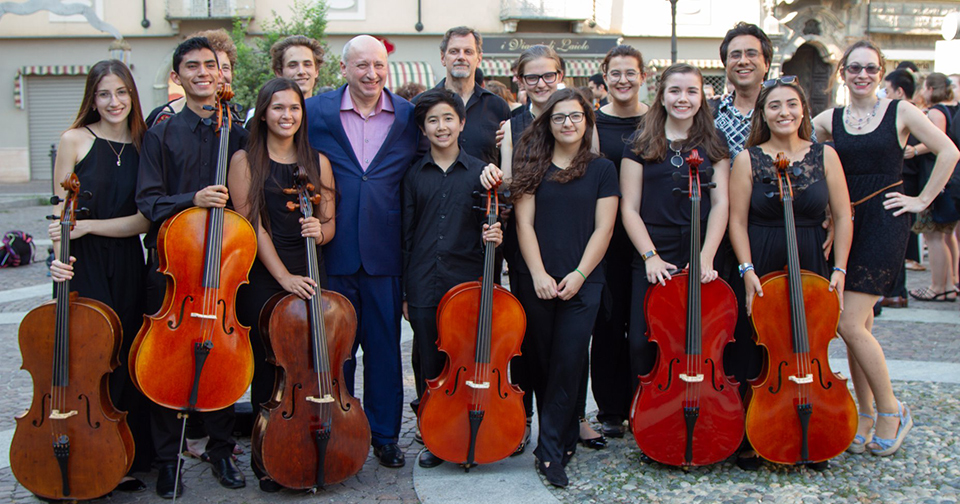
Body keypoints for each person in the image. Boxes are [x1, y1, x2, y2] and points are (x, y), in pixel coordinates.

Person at [812, 40, 960, 457]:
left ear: (881, 73)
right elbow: (809, 159)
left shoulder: (901, 111)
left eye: (871, 68)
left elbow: (948, 151)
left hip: (886, 222)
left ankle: (892, 411)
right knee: (861, 329)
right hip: (846, 224)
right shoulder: (829, 120)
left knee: (849, 323)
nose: (862, 74)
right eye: (854, 68)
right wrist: (824, 211)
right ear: (842, 73)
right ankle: (865, 413)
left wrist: (922, 200)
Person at [481, 88, 618, 488]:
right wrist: (538, 274)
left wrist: (578, 274)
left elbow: (604, 227)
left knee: (568, 361)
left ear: (586, 122)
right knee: (540, 362)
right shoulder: (532, 164)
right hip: (535, 278)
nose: (568, 124)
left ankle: (550, 451)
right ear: (548, 123)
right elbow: (523, 224)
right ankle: (559, 435)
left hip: (584, 280)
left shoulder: (601, 169)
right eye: (560, 117)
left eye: (576, 116)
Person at [136, 37, 250, 498]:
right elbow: (148, 200)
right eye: (192, 66)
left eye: (210, 65)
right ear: (178, 76)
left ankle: (221, 449)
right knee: (166, 360)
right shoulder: (162, 131)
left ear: (221, 74)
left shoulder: (238, 132)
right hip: (173, 273)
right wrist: (193, 199)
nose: (203, 72)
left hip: (223, 269)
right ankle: (168, 461)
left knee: (220, 355)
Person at [305, 34, 420, 468]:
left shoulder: (409, 115)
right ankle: (337, 429)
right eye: (361, 66)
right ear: (343, 68)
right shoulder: (316, 111)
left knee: (385, 349)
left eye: (378, 65)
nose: (371, 74)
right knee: (337, 350)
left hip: (386, 252)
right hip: (333, 250)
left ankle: (385, 435)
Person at [727, 76, 853, 468]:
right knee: (757, 344)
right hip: (761, 256)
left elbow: (844, 217)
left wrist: (841, 270)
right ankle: (753, 431)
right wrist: (746, 269)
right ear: (763, 114)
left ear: (803, 110)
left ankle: (812, 429)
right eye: (775, 106)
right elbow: (736, 220)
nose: (784, 112)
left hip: (812, 258)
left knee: (806, 343)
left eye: (792, 105)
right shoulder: (748, 158)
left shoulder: (824, 154)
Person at [47, 59, 152, 493]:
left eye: (122, 93)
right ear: (93, 98)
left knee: (127, 354)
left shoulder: (145, 143)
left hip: (127, 259)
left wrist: (88, 226)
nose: (114, 102)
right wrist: (59, 260)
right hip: (81, 262)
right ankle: (85, 445)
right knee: (88, 357)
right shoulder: (73, 140)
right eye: (105, 94)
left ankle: (124, 452)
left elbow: (144, 220)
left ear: (132, 95)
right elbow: (60, 214)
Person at [227, 78, 336, 491]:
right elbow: (252, 226)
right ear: (263, 113)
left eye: (293, 108)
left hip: (310, 269)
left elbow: (329, 224)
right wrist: (284, 278)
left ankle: (314, 446)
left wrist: (319, 230)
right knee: (271, 369)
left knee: (312, 363)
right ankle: (267, 459)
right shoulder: (245, 160)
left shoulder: (317, 160)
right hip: (267, 275)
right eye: (277, 108)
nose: (286, 115)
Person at [402, 88, 503, 468]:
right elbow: (407, 237)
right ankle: (434, 436)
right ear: (423, 129)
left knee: (468, 359)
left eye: (448, 119)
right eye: (432, 120)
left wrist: (495, 235)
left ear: (462, 123)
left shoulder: (482, 173)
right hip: (424, 281)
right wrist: (405, 294)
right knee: (430, 362)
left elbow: (492, 232)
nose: (441, 127)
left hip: (467, 283)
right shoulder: (414, 176)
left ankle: (472, 428)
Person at [620, 63, 730, 411]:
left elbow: (721, 203)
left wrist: (706, 255)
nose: (683, 98)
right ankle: (650, 409)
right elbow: (629, 208)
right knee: (643, 338)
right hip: (654, 247)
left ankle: (699, 405)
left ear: (702, 96)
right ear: (662, 97)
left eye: (691, 91)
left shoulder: (714, 142)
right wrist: (649, 256)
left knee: (698, 338)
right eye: (675, 91)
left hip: (700, 245)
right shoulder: (640, 142)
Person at [577, 44, 649, 442]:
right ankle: (610, 410)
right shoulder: (592, 123)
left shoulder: (656, 120)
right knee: (605, 325)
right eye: (615, 73)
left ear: (643, 77)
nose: (623, 80)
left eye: (630, 73)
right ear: (604, 76)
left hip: (645, 238)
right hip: (602, 237)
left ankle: (645, 401)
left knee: (643, 327)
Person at [497, 44, 565, 452]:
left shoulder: (574, 116)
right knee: (527, 337)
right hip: (525, 239)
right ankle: (521, 419)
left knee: (570, 339)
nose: (541, 84)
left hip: (569, 237)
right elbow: (506, 183)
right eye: (532, 77)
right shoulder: (512, 124)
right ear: (520, 81)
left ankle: (571, 417)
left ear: (560, 77)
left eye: (549, 76)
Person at [413, 27, 511, 167]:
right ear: (443, 57)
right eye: (454, 51)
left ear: (479, 59)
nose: (461, 57)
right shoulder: (419, 105)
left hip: (483, 188)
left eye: (468, 52)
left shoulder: (497, 107)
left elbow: (505, 161)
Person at [908, 72, 960, 302]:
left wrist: (914, 150)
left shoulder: (938, 111)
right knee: (947, 236)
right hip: (950, 181)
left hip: (937, 179)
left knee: (934, 236)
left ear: (930, 88)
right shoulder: (954, 107)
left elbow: (937, 142)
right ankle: (950, 282)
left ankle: (939, 286)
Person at [880, 70, 923, 310]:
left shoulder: (906, 111)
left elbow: (949, 147)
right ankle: (895, 293)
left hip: (904, 182)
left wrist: (922, 199)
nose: (884, 94)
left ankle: (896, 293)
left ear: (899, 91)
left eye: (887, 90)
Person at [146, 29, 239, 127]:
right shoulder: (162, 118)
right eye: (212, 66)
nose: (207, 74)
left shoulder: (232, 117)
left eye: (225, 68)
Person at [243, 35, 326, 126]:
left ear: (316, 71)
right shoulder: (262, 121)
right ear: (279, 72)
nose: (301, 71)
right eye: (292, 65)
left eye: (307, 64)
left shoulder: (328, 118)